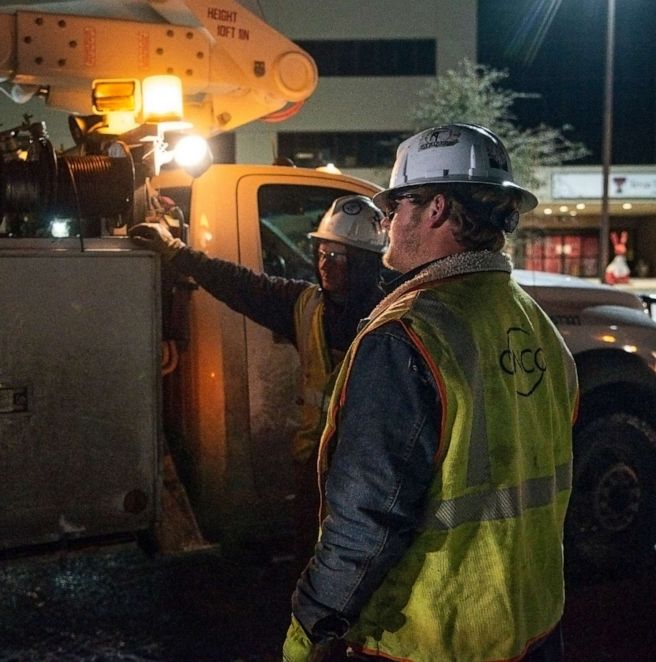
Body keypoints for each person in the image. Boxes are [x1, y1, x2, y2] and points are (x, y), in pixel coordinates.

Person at [283, 124, 579, 662]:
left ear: (436, 208)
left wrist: (311, 627)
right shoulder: (537, 323)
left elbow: (366, 520)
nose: (388, 223)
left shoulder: (409, 334)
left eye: (396, 206)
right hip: (534, 628)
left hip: (432, 638)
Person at [130, 194, 387, 558]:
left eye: (339, 256)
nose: (326, 264)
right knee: (312, 560)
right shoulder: (306, 305)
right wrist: (176, 251)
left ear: (365, 263)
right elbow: (241, 284)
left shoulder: (395, 316)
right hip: (314, 467)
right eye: (323, 253)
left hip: (368, 474)